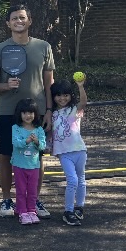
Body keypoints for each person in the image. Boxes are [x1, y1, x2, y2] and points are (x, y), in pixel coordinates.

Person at [0, 5, 55, 219]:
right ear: (8, 23)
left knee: (37, 155)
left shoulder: (44, 47)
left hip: (37, 112)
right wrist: (5, 86)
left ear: (30, 21)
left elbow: (49, 84)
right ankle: (7, 199)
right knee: (6, 155)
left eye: (23, 17)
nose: (19, 21)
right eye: (14, 18)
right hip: (9, 112)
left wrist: (49, 110)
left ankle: (34, 200)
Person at [51, 76, 88, 226]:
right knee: (72, 180)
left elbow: (83, 102)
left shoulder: (74, 109)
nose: (62, 98)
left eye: (66, 95)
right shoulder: (52, 113)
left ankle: (79, 207)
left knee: (81, 179)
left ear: (70, 95)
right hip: (64, 153)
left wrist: (80, 86)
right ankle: (68, 211)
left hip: (79, 150)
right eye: (58, 95)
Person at [11, 98, 47, 225]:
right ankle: (22, 211)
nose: (28, 115)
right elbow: (16, 143)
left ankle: (31, 210)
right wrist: (26, 141)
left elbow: (43, 146)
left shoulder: (39, 129)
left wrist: (37, 141)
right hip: (19, 165)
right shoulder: (16, 128)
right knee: (21, 189)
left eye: (31, 112)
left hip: (34, 166)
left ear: (35, 114)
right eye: (24, 113)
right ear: (19, 114)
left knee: (32, 190)